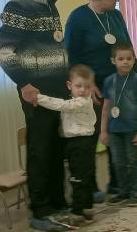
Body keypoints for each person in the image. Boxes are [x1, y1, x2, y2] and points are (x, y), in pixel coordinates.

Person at [0, 0, 71, 232]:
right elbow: (4, 52)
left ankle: (58, 203)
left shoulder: (49, 6)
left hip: (57, 90)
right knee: (40, 150)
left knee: (57, 147)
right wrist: (24, 83)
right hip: (35, 91)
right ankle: (40, 211)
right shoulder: (19, 6)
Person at [64, 0, 137, 200]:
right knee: (91, 137)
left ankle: (119, 184)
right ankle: (90, 187)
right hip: (93, 89)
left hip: (119, 86)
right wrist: (89, 85)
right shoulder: (78, 18)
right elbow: (72, 57)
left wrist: (136, 79)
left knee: (118, 135)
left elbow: (127, 47)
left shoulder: (115, 15)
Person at [34, 64, 98, 223]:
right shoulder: (76, 99)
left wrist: (39, 98)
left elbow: (61, 105)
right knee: (83, 175)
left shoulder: (82, 102)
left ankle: (77, 211)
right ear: (69, 85)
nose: (82, 90)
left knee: (78, 178)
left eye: (87, 87)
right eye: (78, 86)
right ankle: (87, 207)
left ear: (91, 87)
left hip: (81, 143)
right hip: (75, 142)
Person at [98, 44, 137, 205]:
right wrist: (103, 131)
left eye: (129, 58)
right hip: (114, 130)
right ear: (113, 61)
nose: (125, 62)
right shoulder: (109, 81)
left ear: (134, 60)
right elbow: (106, 107)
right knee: (118, 162)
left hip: (132, 129)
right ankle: (123, 191)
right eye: (121, 59)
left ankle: (134, 192)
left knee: (132, 160)